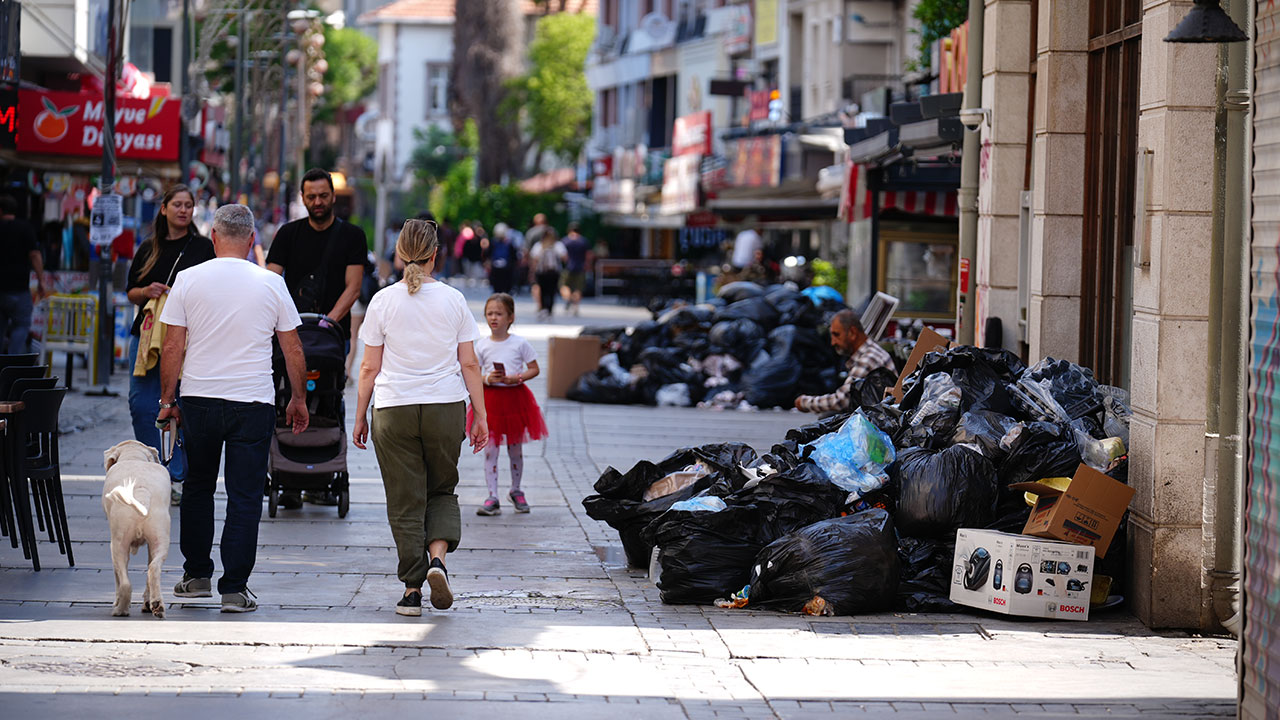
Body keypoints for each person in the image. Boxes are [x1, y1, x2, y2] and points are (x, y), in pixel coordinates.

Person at [158, 204, 310, 613]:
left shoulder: (188, 280)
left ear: (214, 238)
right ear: (251, 240)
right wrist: (298, 397)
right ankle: (234, 589)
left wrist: (168, 400)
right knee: (244, 496)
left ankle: (195, 577)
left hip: (199, 399)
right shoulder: (271, 283)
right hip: (252, 403)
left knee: (197, 487)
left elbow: (172, 345)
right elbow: (292, 346)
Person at [352, 219, 488, 617]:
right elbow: (470, 364)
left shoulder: (382, 301)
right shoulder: (453, 300)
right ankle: (438, 561)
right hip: (445, 408)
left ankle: (412, 591)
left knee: (404, 500)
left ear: (399, 254)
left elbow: (367, 369)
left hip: (393, 410)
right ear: (435, 255)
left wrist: (360, 416)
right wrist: (480, 414)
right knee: (441, 490)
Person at [266, 168, 367, 508]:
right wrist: (286, 320)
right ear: (303, 198)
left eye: (323, 196)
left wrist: (329, 322)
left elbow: (353, 287)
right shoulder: (287, 234)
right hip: (290, 334)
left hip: (330, 336)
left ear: (332, 196)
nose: (318, 202)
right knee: (285, 398)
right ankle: (289, 477)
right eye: (311, 197)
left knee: (327, 400)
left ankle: (322, 479)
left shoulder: (351, 236)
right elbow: (272, 281)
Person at [124, 185, 215, 506]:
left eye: (189, 205)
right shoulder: (149, 248)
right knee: (140, 403)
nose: (183, 210)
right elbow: (130, 292)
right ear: (163, 209)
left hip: (189, 336)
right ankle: (155, 470)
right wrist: (147, 290)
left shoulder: (203, 247)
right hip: (148, 335)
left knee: (184, 406)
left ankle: (179, 472)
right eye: (177, 204)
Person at [472, 293, 547, 516]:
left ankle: (516, 489)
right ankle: (492, 495)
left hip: (515, 399)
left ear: (511, 317)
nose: (493, 318)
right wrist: (486, 379)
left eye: (499, 313)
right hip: (491, 401)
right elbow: (473, 371)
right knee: (490, 449)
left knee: (515, 449)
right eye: (489, 313)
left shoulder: (519, 343)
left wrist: (518, 377)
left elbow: (534, 368)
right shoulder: (482, 345)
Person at [794, 310, 896, 413]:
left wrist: (804, 402)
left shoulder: (867, 359)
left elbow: (841, 401)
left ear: (852, 333)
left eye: (836, 335)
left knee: (829, 416)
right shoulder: (870, 351)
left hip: (879, 420)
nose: (833, 342)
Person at [0, 195, 46, 353]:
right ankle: (12, 362)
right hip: (19, 289)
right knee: (21, 326)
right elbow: (35, 255)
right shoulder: (25, 228)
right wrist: (41, 281)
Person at [529, 227, 568, 320]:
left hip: (542, 272)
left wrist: (532, 271)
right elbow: (565, 257)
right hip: (554, 272)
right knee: (551, 291)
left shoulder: (539, 245)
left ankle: (543, 309)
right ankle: (549, 310)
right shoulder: (558, 245)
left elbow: (534, 259)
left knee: (543, 291)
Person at [560, 222, 589, 316]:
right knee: (578, 288)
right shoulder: (583, 241)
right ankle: (575, 306)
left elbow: (563, 256)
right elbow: (589, 255)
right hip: (580, 267)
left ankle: (568, 299)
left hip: (567, 267)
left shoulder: (565, 241)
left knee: (563, 285)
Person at [485, 225, 516, 294]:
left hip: (505, 268)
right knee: (499, 286)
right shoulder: (494, 242)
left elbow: (513, 256)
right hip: (499, 268)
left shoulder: (508, 243)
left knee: (503, 285)